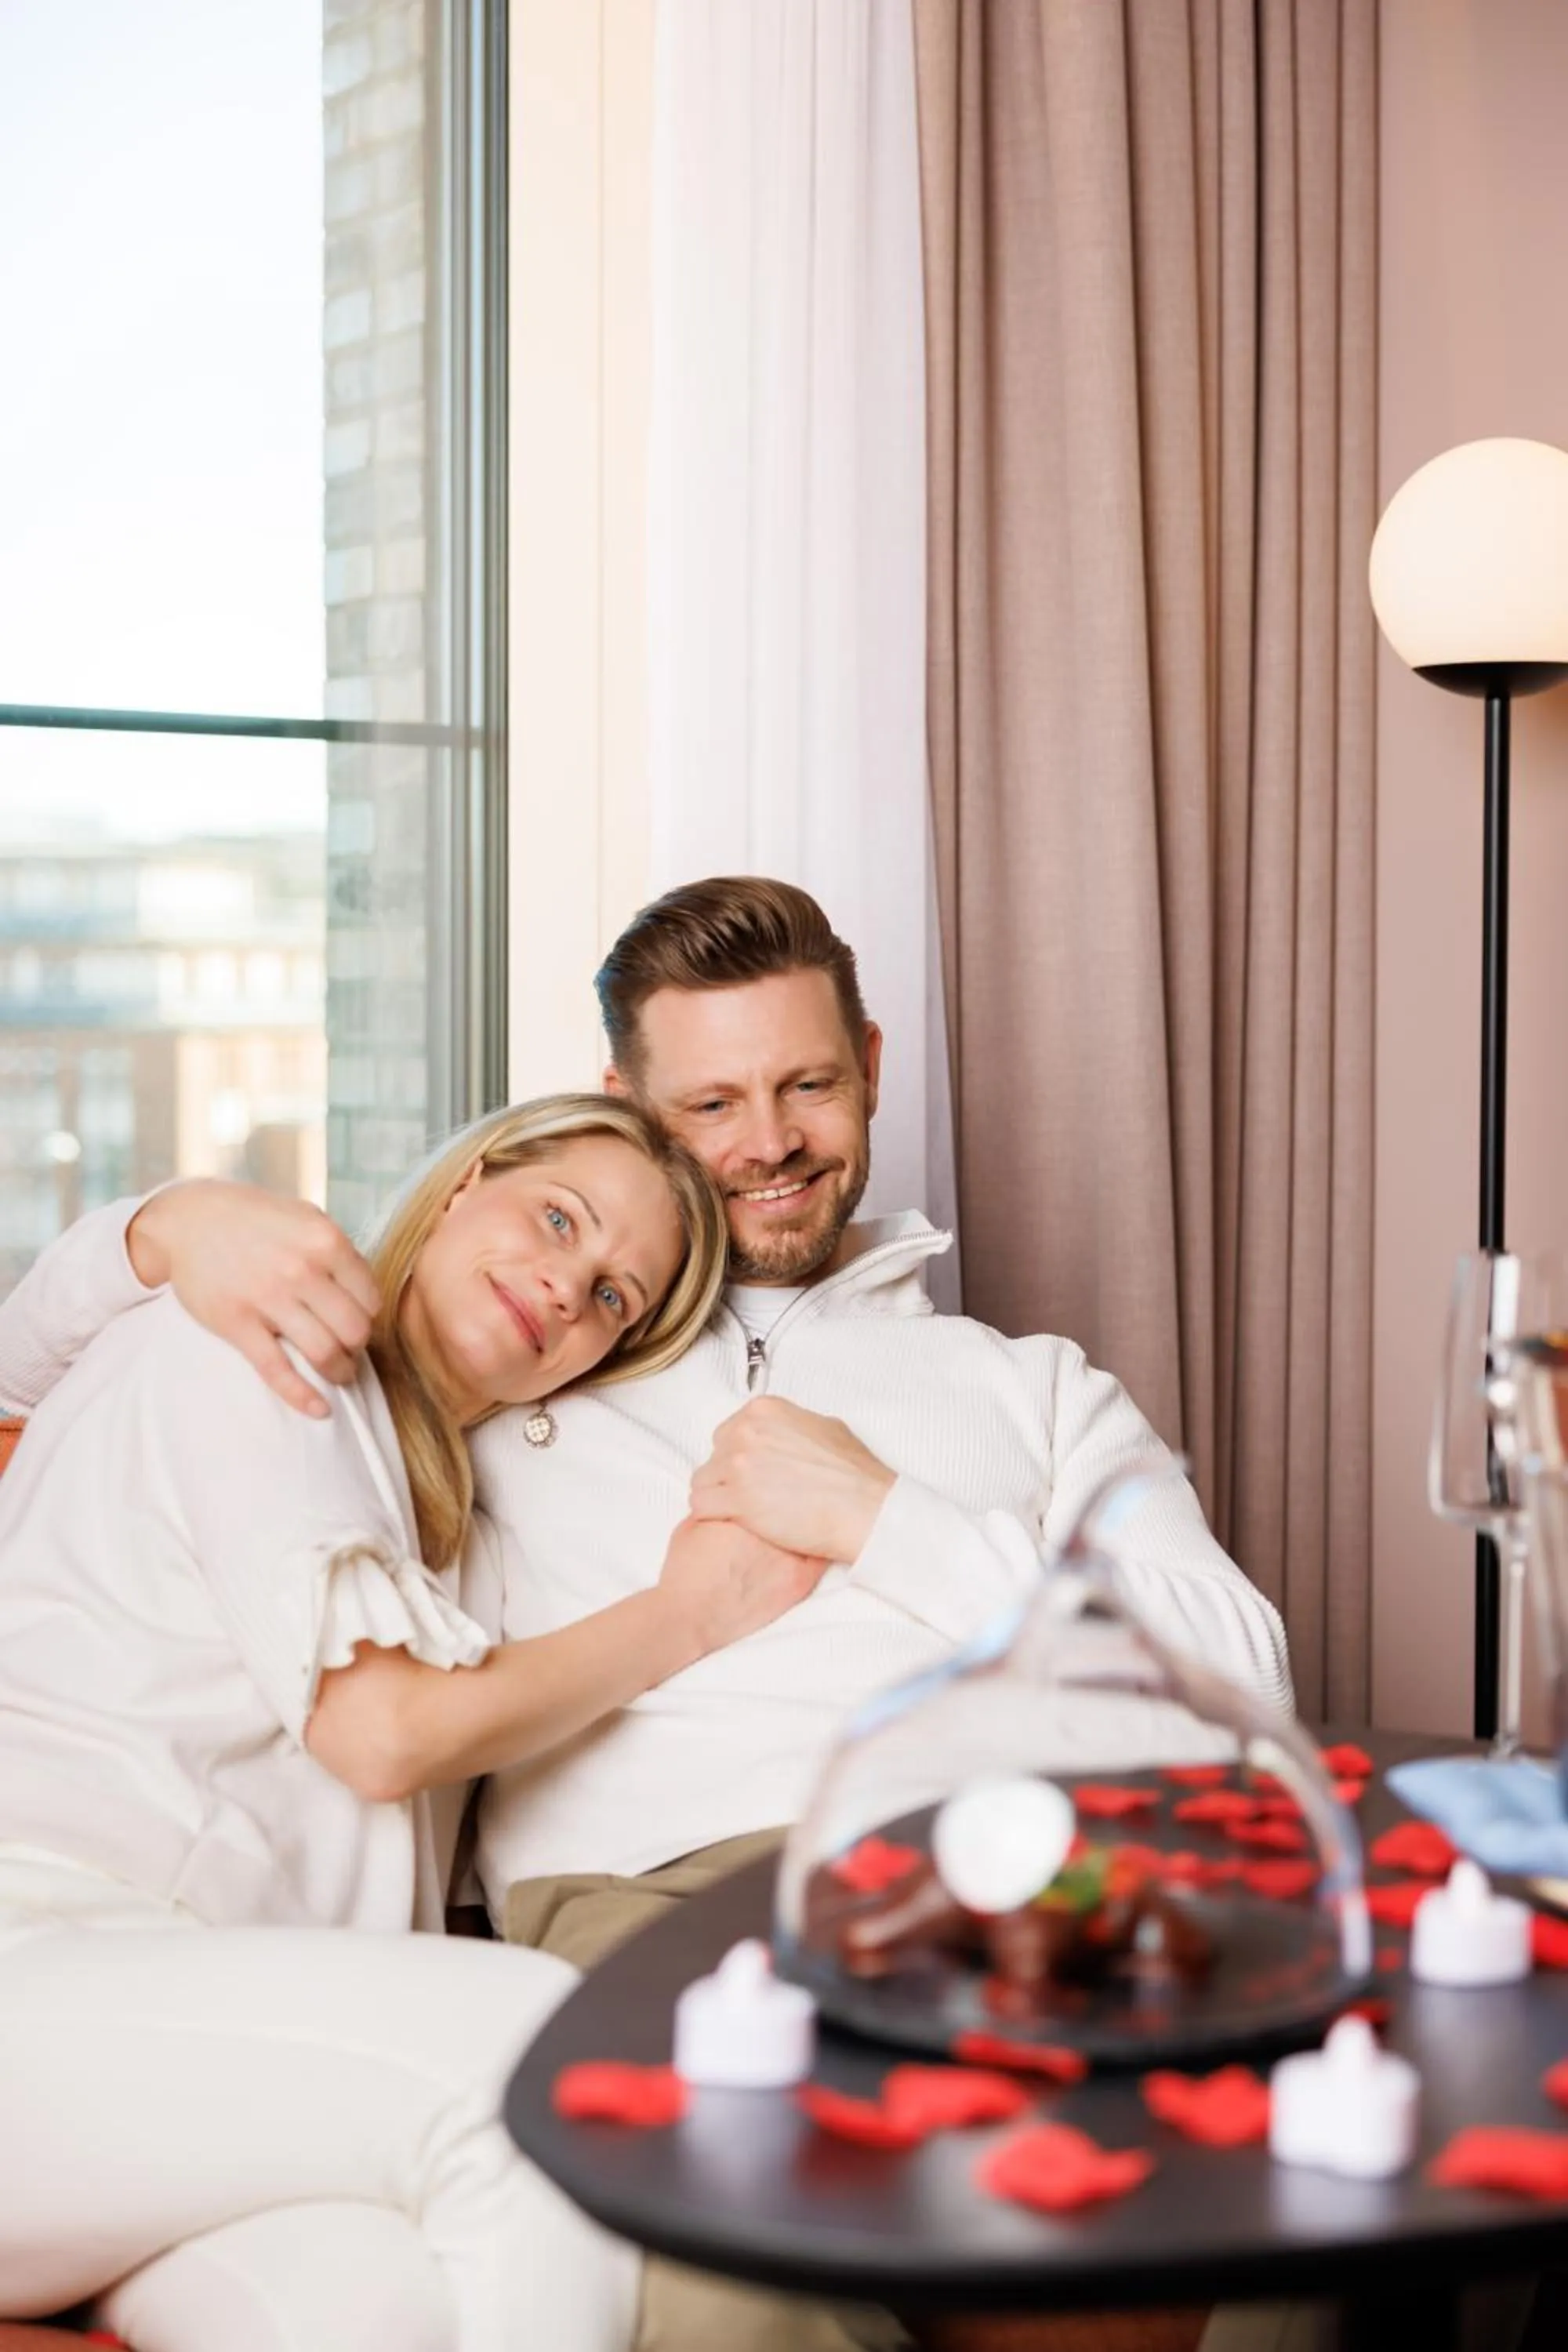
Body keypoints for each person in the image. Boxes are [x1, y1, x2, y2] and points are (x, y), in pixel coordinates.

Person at [5, 880, 1291, 2352]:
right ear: (606, 1108)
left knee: (1290, 2193)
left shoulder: (1030, 1385)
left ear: (870, 1064)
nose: (769, 1142)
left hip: (1016, 1865)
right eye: (711, 1104)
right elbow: (40, 1387)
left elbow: (1241, 1683)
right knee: (626, 2171)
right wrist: (164, 1225)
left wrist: (889, 1520)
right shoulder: (417, 1382)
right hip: (637, 1913)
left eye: (808, 1083)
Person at [0, 1092, 828, 2352]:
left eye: (612, 1297)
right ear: (464, 1185)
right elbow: (379, 1733)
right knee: (544, 2046)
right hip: (43, 1968)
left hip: (192, 2079)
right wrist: (690, 1612)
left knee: (384, 2304)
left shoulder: (456, 1546)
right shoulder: (262, 1339)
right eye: (559, 1219)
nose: (565, 1287)